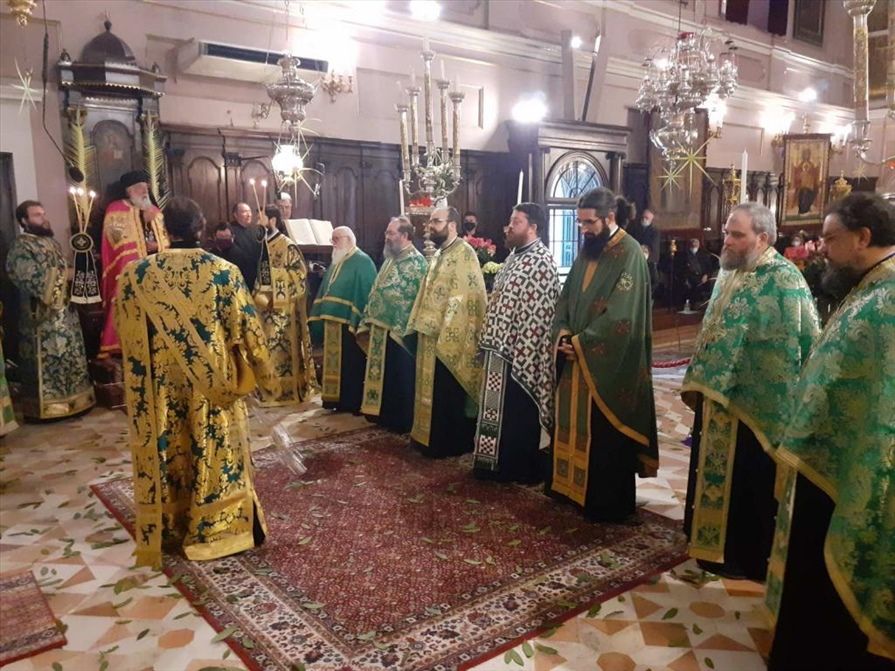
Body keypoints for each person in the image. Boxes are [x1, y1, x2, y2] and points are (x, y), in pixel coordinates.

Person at [765, 193, 895, 670]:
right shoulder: (869, 288)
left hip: (852, 461)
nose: (821, 248)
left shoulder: (888, 299)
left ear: (863, 238)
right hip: (824, 456)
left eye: (830, 238)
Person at [115, 196, 274, 569]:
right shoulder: (222, 271)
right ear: (201, 228)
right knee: (212, 446)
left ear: (164, 229)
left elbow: (127, 331)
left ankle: (173, 522)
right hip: (210, 383)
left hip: (160, 385)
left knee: (171, 444)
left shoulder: (136, 275)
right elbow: (248, 330)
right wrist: (265, 374)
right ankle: (215, 525)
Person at [681, 203, 820, 581]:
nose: (726, 240)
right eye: (727, 232)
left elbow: (791, 349)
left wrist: (756, 387)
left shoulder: (785, 280)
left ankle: (743, 555)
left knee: (748, 477)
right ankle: (706, 543)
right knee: (714, 471)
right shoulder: (731, 270)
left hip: (757, 405)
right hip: (717, 395)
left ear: (763, 238)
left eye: (736, 235)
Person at [549, 186, 658, 522]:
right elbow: (566, 298)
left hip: (608, 361)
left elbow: (622, 316)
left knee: (603, 434)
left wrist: (582, 343)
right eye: (580, 222)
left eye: (589, 222)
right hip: (576, 355)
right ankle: (569, 488)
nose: (584, 229)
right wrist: (563, 335)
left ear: (610, 217)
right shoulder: (588, 250)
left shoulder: (629, 253)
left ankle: (603, 501)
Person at [473, 203, 559, 483]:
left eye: (516, 221)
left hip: (523, 354)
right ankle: (494, 463)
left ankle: (520, 468)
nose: (509, 226)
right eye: (510, 220)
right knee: (499, 412)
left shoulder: (542, 261)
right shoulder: (513, 257)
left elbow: (541, 316)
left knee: (519, 412)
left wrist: (522, 348)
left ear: (533, 227)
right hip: (498, 350)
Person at [407, 206, 487, 456]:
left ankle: (448, 443)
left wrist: (445, 328)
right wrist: (418, 321)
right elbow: (427, 291)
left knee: (446, 390)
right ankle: (427, 438)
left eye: (436, 221)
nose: (430, 226)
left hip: (450, 334)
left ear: (452, 225)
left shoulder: (465, 253)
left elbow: (467, 297)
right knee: (431, 390)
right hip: (429, 333)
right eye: (430, 221)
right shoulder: (439, 254)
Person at [6, 201, 95, 420]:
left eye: (43, 213)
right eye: (37, 215)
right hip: (41, 317)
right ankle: (49, 407)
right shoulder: (21, 246)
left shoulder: (52, 243)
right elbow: (28, 276)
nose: (44, 218)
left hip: (66, 313)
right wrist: (65, 275)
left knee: (70, 357)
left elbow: (64, 268)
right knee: (49, 359)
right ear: (24, 220)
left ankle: (77, 401)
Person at [358, 216, 428, 433]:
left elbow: (411, 297)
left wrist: (391, 314)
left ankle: (402, 420)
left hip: (400, 331)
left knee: (400, 376)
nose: (386, 237)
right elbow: (378, 289)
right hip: (381, 328)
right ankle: (384, 414)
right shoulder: (390, 259)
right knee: (385, 375)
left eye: (390, 233)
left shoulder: (417, 262)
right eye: (386, 232)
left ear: (405, 235)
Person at [98, 170, 169, 358]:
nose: (145, 191)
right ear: (129, 191)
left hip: (154, 267)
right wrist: (141, 220)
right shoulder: (116, 208)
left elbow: (166, 238)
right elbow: (116, 239)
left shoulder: (154, 211)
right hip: (129, 268)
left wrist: (158, 245)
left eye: (146, 187)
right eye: (140, 188)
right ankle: (119, 344)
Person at [253, 205, 317, 406]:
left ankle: (287, 390)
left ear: (272, 221)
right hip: (264, 307)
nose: (257, 222)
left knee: (281, 351)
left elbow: (299, 275)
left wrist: (276, 278)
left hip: (284, 311)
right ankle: (268, 389)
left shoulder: (287, 245)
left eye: (260, 218)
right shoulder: (262, 244)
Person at [308, 226, 377, 413]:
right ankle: (335, 400)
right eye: (332, 239)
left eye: (336, 239)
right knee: (335, 364)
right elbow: (326, 288)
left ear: (349, 239)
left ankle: (352, 402)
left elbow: (365, 291)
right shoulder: (337, 261)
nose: (334, 243)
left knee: (351, 364)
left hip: (349, 324)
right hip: (333, 324)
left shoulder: (362, 261)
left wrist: (357, 317)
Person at [228, 202, 263, 291]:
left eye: (249, 211)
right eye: (244, 212)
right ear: (235, 215)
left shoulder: (255, 230)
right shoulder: (230, 231)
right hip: (239, 276)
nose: (249, 214)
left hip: (255, 276)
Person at [678, 237, 715, 307]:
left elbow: (709, 268)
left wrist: (706, 275)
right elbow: (682, 269)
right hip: (690, 278)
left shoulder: (704, 254)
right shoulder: (684, 255)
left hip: (703, 277)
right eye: (693, 242)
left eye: (696, 242)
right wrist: (686, 279)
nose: (694, 244)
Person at [792, 147, 820, 215]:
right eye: (805, 154)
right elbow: (797, 174)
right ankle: (802, 209)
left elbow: (814, 174)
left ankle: (807, 208)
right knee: (803, 195)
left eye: (807, 154)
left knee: (809, 195)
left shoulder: (811, 164)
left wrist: (812, 173)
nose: (806, 156)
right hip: (802, 186)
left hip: (810, 186)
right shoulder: (801, 164)